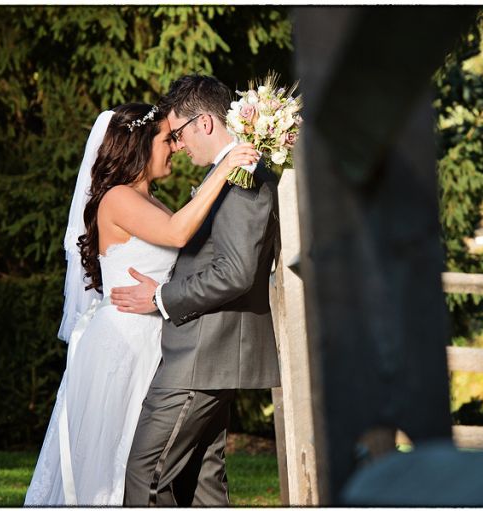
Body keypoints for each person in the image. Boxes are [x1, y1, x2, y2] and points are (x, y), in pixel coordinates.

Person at [24, 103, 259, 506]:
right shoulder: (116, 198)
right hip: (124, 344)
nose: (175, 147)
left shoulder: (154, 200)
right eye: (166, 139)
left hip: (155, 338)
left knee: (153, 459)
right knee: (114, 463)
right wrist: (224, 167)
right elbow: (177, 234)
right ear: (138, 144)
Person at [112, 75, 281, 506]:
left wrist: (162, 298)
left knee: (146, 476)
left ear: (205, 123)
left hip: (200, 355)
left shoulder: (242, 175)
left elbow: (236, 271)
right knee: (201, 484)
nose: (179, 145)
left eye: (180, 133)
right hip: (210, 353)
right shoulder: (229, 172)